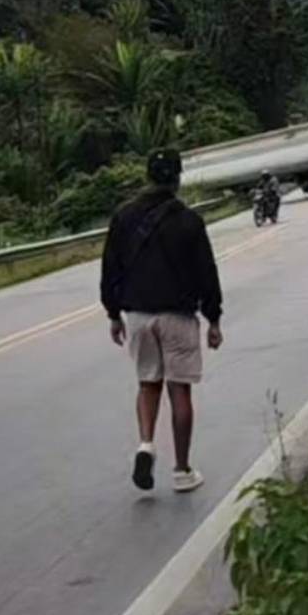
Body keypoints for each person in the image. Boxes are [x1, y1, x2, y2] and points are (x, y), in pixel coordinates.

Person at [100, 148, 223, 494]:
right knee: (179, 389)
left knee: (147, 383)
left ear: (147, 176)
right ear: (178, 178)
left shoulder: (123, 217)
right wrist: (213, 318)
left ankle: (145, 445)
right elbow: (206, 273)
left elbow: (110, 268)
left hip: (138, 315)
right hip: (178, 315)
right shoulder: (189, 220)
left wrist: (113, 314)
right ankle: (182, 471)